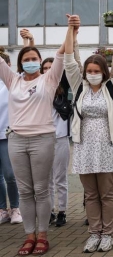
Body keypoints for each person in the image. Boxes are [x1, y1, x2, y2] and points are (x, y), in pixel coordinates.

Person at [65, 16, 113, 253]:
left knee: (106, 194)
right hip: (84, 147)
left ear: (103, 72)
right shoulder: (79, 86)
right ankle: (94, 233)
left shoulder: (112, 86)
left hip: (107, 146)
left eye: (97, 70)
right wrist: (71, 31)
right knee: (90, 194)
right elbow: (69, 60)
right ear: (85, 72)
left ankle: (108, 234)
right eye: (89, 70)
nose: (93, 73)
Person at [0, 18, 68, 255]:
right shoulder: (12, 80)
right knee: (24, 190)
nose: (30, 62)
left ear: (40, 62)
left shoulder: (48, 80)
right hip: (16, 140)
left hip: (43, 139)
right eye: (26, 60)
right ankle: (29, 235)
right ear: (20, 64)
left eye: (34, 59)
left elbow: (61, 54)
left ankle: (43, 235)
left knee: (41, 190)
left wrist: (71, 30)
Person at [40, 56, 74, 228]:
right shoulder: (38, 89)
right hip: (43, 138)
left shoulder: (63, 87)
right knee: (46, 180)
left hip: (60, 138)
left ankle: (62, 211)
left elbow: (67, 63)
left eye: (50, 67)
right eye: (44, 68)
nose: (47, 70)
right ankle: (50, 211)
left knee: (60, 178)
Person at [0, 48, 21, 225]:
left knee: (9, 174)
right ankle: (2, 210)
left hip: (6, 135)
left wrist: (28, 41)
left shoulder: (11, 83)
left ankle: (15, 208)